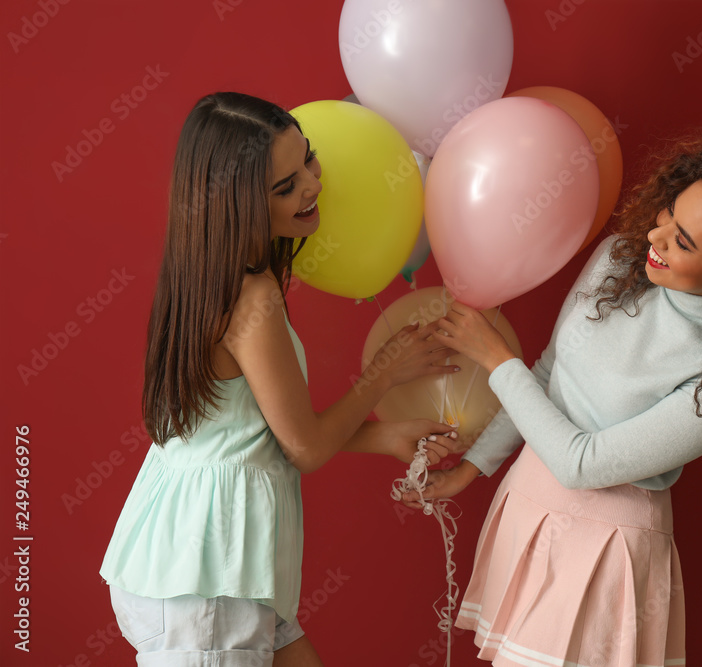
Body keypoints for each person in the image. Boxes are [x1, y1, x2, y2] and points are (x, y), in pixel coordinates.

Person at [401, 135, 702, 666]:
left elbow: (583, 464)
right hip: (527, 507)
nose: (655, 235)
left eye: (684, 242)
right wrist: (472, 467)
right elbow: (550, 374)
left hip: (604, 551)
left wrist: (494, 359)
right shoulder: (618, 261)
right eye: (668, 215)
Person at [99, 92, 461, 666]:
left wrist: (380, 436)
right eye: (285, 186)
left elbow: (252, 431)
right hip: (213, 580)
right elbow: (306, 447)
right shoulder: (252, 296)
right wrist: (382, 374)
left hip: (201, 564)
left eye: (308, 161)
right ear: (239, 203)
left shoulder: (203, 275)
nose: (313, 186)